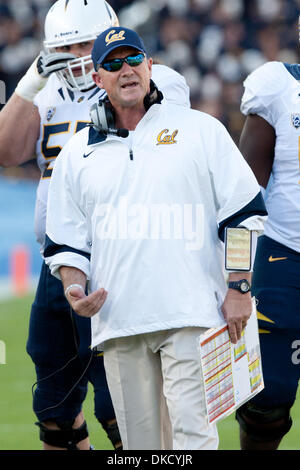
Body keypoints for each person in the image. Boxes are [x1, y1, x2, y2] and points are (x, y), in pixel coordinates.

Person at [44, 26, 267, 450]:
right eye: (112, 63)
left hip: (193, 314)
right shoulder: (77, 153)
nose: (124, 69)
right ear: (98, 78)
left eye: (133, 59)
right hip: (118, 321)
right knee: (140, 448)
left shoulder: (199, 129)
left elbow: (242, 213)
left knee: (192, 440)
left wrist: (239, 286)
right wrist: (74, 288)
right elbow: (67, 240)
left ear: (150, 66)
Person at [0, 0, 191, 451]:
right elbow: (7, 151)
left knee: (121, 409)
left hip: (123, 262)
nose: (81, 55)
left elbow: (165, 144)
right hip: (56, 263)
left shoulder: (154, 81)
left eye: (88, 42)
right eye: (69, 46)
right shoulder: (46, 92)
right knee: (53, 409)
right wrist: (29, 85)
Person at [235, 49, 300, 449]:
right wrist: (236, 277)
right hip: (284, 254)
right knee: (266, 401)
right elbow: (244, 196)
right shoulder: (278, 87)